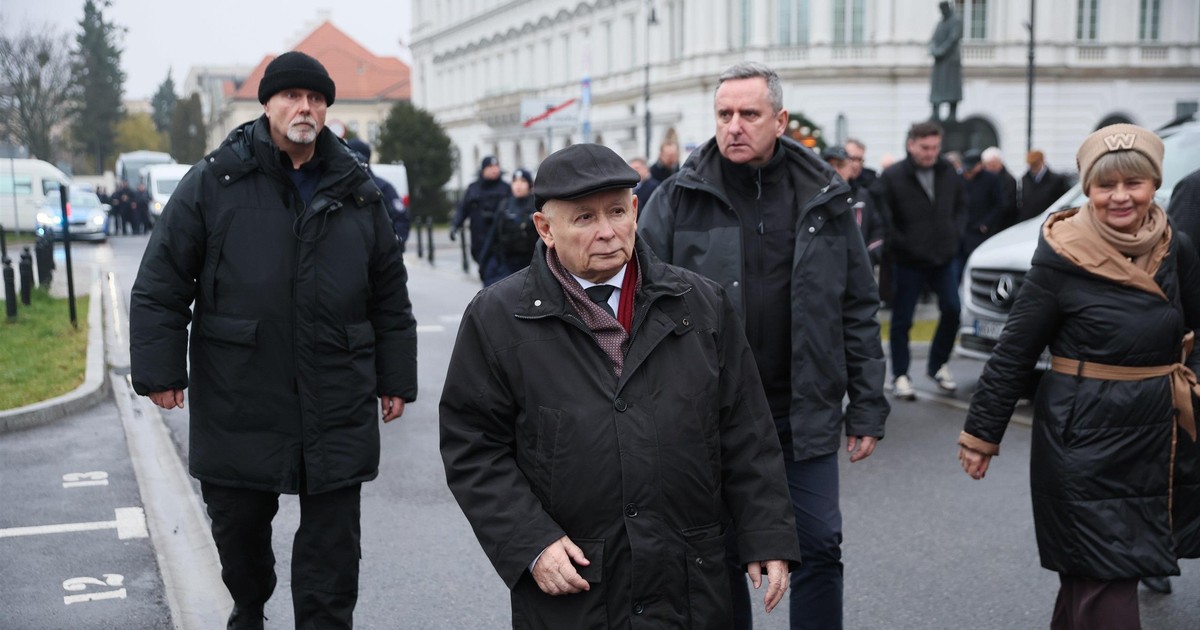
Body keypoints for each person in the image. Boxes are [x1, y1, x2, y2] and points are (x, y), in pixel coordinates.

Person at [440, 142, 801, 628]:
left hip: (688, 579)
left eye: (616, 211)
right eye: (584, 218)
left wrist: (767, 533)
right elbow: (473, 447)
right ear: (545, 228)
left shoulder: (701, 304)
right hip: (576, 582)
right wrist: (531, 543)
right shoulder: (498, 318)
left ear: (635, 210)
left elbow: (746, 430)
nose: (607, 231)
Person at [128, 51, 418, 629]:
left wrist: (395, 378)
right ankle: (250, 606)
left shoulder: (357, 189)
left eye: (315, 99)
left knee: (333, 550)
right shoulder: (215, 181)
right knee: (239, 532)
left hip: (336, 394)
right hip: (241, 392)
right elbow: (162, 281)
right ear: (267, 105)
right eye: (291, 96)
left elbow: (389, 294)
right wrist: (160, 370)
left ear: (326, 109)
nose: (304, 108)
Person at [640, 62, 889, 630]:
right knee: (718, 556)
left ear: (779, 120)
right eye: (724, 113)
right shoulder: (679, 198)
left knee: (820, 544)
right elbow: (639, 303)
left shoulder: (824, 196)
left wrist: (867, 406)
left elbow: (857, 305)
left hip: (802, 411)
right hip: (711, 415)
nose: (734, 125)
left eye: (748, 114)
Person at [958, 123, 1200, 628]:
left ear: (1154, 185)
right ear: (1087, 188)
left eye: (1133, 183)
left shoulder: (1176, 247)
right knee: (1105, 576)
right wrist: (981, 434)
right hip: (1081, 437)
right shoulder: (1062, 254)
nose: (1120, 196)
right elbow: (1015, 351)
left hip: (1155, 437)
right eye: (1106, 185)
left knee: (1089, 583)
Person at [872, 120, 967, 401]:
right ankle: (900, 374)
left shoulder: (948, 171)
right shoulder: (893, 176)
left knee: (953, 309)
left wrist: (955, 234)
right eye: (925, 147)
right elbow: (885, 218)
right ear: (911, 145)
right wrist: (902, 244)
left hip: (943, 256)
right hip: (908, 259)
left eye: (935, 147)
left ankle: (938, 364)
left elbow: (962, 206)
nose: (930, 153)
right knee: (902, 318)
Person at [452, 155, 512, 283]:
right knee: (485, 274)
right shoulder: (474, 188)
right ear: (483, 169)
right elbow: (463, 209)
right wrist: (455, 226)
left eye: (496, 166)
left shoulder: (506, 188)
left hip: (499, 243)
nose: (494, 170)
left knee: (496, 280)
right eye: (490, 167)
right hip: (479, 242)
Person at [824, 145, 884, 267]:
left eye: (840, 165)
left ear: (850, 168)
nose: (835, 171)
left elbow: (879, 230)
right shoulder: (813, 198)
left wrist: (867, 257)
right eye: (829, 166)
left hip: (859, 269)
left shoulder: (864, 197)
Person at [347, 138, 411, 252]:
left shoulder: (382, 187)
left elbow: (401, 219)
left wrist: (392, 247)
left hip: (379, 256)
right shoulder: (342, 186)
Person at [477, 167, 539, 284]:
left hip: (532, 263)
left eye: (522, 181)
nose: (518, 185)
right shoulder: (505, 205)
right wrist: (483, 262)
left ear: (530, 185)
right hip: (508, 264)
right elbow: (493, 235)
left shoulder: (536, 205)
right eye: (515, 181)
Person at [957, 149, 1005, 275]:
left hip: (980, 231)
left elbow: (998, 205)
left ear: (979, 165)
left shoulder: (991, 179)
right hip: (962, 231)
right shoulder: (960, 179)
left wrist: (986, 224)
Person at [928, 0, 963, 121]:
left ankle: (952, 114)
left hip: (950, 61)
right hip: (940, 62)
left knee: (952, 88)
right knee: (937, 88)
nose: (942, 11)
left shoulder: (956, 20)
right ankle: (935, 112)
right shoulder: (940, 23)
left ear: (948, 7)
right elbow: (933, 39)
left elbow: (953, 38)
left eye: (943, 9)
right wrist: (933, 49)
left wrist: (941, 50)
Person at [1018, 150, 1075, 223]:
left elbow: (1062, 202)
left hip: (1048, 220)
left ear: (1042, 162)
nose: (1033, 168)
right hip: (1029, 221)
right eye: (1031, 165)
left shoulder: (1056, 180)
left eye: (1035, 164)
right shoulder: (1025, 179)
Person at [982, 146, 1020, 230]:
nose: (989, 168)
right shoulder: (986, 178)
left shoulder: (1008, 180)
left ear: (999, 163)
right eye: (987, 165)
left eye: (992, 165)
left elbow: (1006, 205)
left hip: (1003, 224)